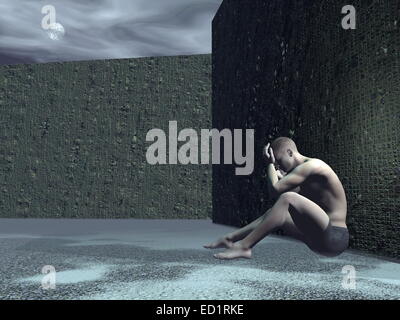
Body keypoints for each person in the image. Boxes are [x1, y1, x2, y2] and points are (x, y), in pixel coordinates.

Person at [204, 136, 349, 259]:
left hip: (335, 237)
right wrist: (280, 175)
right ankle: (230, 238)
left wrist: (270, 164)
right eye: (276, 164)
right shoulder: (302, 174)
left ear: (290, 153)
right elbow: (285, 197)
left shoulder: (314, 166)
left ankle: (244, 247)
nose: (278, 167)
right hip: (319, 239)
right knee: (274, 213)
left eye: (279, 161)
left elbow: (276, 190)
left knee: (287, 198)